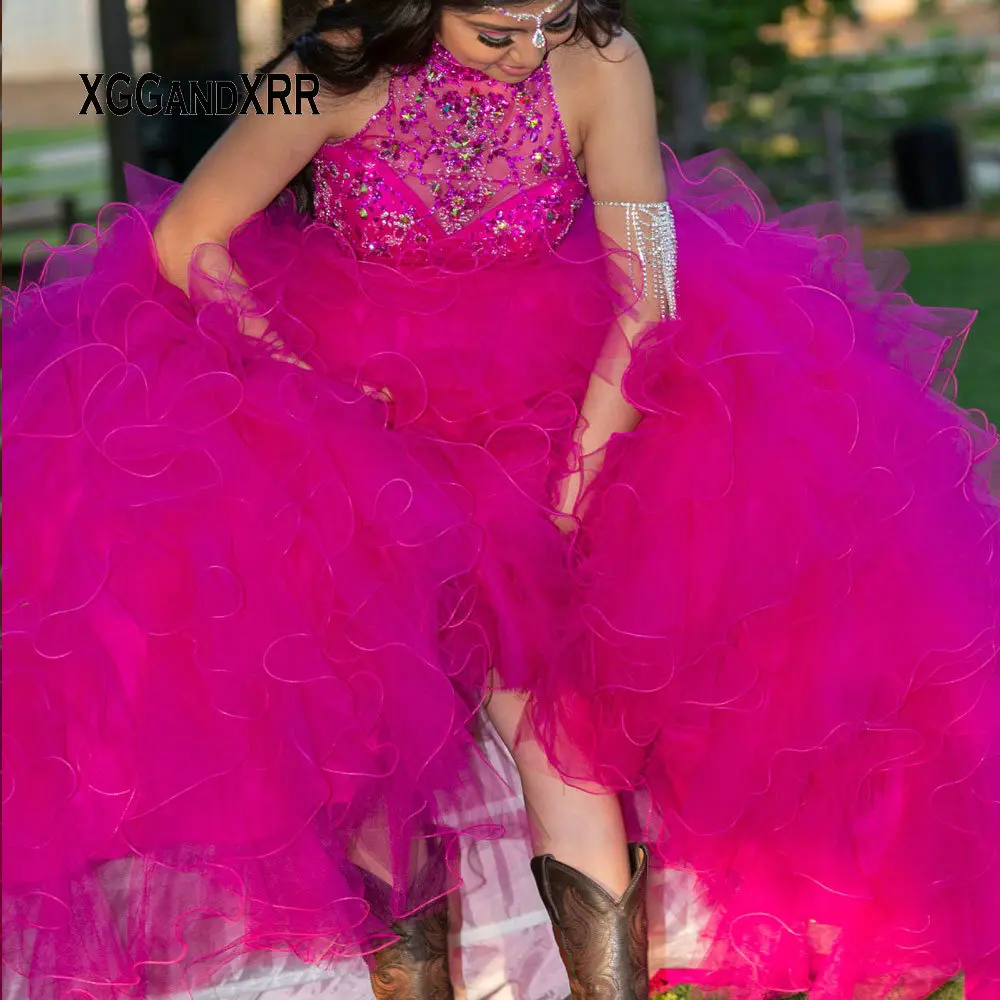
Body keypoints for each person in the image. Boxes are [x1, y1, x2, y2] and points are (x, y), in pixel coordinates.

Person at [3, 1, 999, 998]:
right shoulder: (336, 66)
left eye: (546, 12)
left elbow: (645, 282)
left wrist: (585, 472)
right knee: (369, 730)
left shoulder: (600, 58)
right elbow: (189, 236)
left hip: (542, 414)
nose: (524, 36)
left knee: (560, 735)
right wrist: (302, 389)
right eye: (495, 18)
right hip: (356, 427)